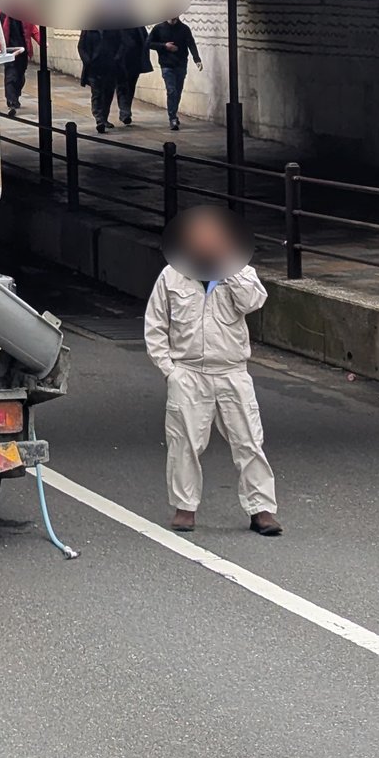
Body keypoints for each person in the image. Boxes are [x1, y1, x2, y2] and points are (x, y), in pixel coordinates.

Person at [143, 205, 280, 536]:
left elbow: (254, 302)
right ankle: (184, 508)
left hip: (232, 370)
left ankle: (262, 510)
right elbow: (155, 325)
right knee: (184, 443)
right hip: (188, 372)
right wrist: (169, 370)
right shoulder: (172, 275)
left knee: (249, 441)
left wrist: (228, 268)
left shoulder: (240, 270)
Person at [148, 16, 203, 131]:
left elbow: (191, 44)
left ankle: (174, 113)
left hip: (181, 64)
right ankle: (172, 118)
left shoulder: (184, 29)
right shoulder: (159, 28)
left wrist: (197, 59)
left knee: (177, 91)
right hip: (166, 65)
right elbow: (149, 43)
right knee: (171, 90)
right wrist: (164, 46)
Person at [78, 28, 124, 134]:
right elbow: (81, 47)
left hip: (110, 66)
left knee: (108, 93)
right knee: (97, 92)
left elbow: (121, 44)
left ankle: (104, 118)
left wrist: (117, 58)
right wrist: (87, 61)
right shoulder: (88, 30)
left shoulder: (113, 29)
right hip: (93, 67)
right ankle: (99, 119)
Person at [114, 25, 152, 128]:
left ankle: (126, 110)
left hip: (135, 62)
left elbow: (146, 40)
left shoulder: (138, 26)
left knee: (130, 87)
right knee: (122, 87)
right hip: (120, 62)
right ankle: (125, 113)